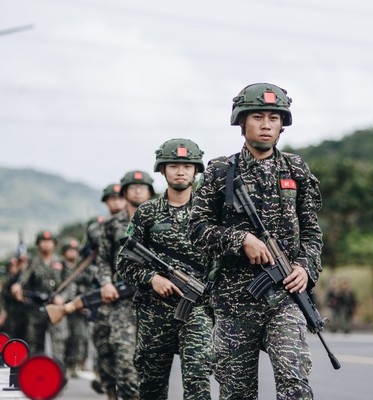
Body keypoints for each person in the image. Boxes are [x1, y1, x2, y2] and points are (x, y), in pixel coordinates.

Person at [189, 82, 323, 400]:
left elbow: (313, 233)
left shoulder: (296, 169)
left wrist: (305, 267)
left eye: (274, 118)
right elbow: (196, 229)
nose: (266, 124)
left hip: (285, 299)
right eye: (258, 116)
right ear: (242, 122)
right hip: (234, 303)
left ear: (282, 125)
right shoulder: (221, 172)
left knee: (295, 386)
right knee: (237, 393)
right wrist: (240, 239)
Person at [117, 138, 212, 400]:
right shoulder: (146, 213)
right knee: (151, 385)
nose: (180, 171)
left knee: (197, 377)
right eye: (173, 165)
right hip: (154, 311)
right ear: (162, 170)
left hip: (197, 308)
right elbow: (124, 261)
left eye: (187, 166)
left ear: (196, 171)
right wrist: (151, 278)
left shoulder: (209, 213)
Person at [94, 171, 154, 400]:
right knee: (124, 358)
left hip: (153, 300)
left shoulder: (159, 221)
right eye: (133, 186)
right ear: (125, 192)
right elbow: (102, 259)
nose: (138, 190)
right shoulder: (111, 225)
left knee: (152, 365)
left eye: (142, 186)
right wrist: (105, 282)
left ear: (150, 192)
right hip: (121, 300)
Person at [81, 183, 126, 394]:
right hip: (101, 297)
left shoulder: (141, 220)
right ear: (106, 202)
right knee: (104, 347)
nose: (117, 202)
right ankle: (110, 391)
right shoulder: (95, 229)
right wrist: (101, 280)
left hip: (130, 295)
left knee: (128, 352)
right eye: (112, 198)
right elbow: (84, 264)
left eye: (119, 197)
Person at [12, 230, 73, 356]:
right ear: (38, 244)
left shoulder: (61, 262)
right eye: (43, 241)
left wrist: (63, 297)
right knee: (35, 343)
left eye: (49, 241)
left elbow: (71, 284)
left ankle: (58, 373)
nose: (46, 244)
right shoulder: (33, 263)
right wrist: (18, 286)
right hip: (36, 308)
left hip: (56, 307)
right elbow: (23, 279)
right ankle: (36, 372)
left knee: (59, 343)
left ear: (54, 244)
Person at [60, 238, 90, 378]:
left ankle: (74, 364)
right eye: (69, 250)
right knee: (64, 337)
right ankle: (64, 365)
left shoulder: (82, 266)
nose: (72, 253)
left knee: (80, 337)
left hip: (79, 309)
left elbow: (88, 284)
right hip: (63, 307)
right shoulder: (60, 267)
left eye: (74, 250)